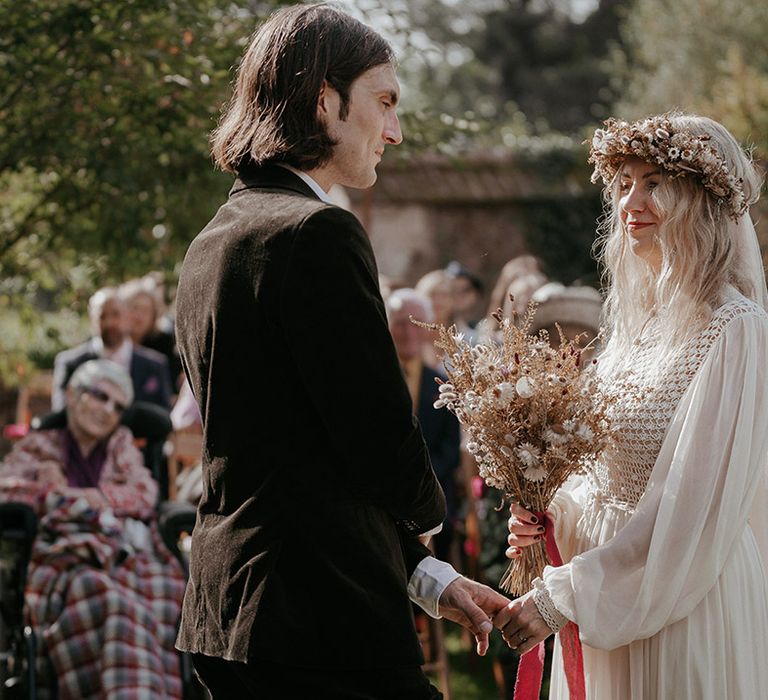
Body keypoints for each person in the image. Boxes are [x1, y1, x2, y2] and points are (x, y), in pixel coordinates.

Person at [173, 5, 509, 698]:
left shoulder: (212, 241)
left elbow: (303, 459)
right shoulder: (317, 232)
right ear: (324, 100)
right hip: (320, 624)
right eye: (383, 101)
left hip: (225, 612)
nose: (394, 130)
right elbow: (378, 437)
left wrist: (433, 579)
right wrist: (432, 514)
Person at [495, 112, 768, 698]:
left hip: (680, 604)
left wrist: (562, 596)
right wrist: (550, 514)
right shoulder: (634, 330)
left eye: (655, 183)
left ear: (703, 198)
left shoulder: (735, 328)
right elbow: (604, 476)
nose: (631, 203)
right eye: (624, 184)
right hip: (603, 598)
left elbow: (691, 506)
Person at [0, 359, 186, 698]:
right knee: (108, 599)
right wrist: (47, 491)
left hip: (124, 551)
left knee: (159, 593)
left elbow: (145, 494)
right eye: (101, 396)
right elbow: (5, 488)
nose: (108, 411)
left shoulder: (120, 444)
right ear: (73, 394)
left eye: (117, 407)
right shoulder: (41, 445)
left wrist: (94, 496)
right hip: (68, 555)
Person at [386, 288, 461, 563]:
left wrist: (419, 480)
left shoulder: (443, 385)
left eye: (416, 323)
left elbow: (450, 449)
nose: (408, 332)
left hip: (433, 500)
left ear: (428, 329)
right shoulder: (374, 382)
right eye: (400, 323)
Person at [52, 287, 173, 410]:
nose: (110, 323)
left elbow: (164, 415)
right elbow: (60, 411)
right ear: (92, 319)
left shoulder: (155, 365)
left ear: (127, 317)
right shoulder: (70, 363)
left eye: (116, 314)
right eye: (102, 316)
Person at [120, 276, 183, 392]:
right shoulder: (113, 341)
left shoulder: (165, 344)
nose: (139, 316)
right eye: (135, 308)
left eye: (145, 310)